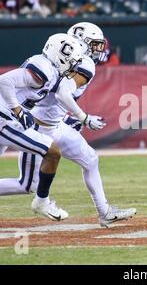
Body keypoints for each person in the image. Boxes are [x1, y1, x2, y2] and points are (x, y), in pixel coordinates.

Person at [0, 23, 136, 227]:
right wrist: (83, 117)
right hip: (32, 124)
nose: (100, 50)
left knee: (89, 159)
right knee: (29, 183)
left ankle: (105, 211)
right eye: (96, 45)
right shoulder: (77, 64)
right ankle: (43, 202)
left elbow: (52, 101)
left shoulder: (60, 64)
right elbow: (62, 93)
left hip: (50, 123)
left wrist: (67, 118)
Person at [0, 33, 84, 220]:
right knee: (52, 152)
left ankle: (41, 202)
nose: (73, 66)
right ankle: (42, 202)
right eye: (71, 60)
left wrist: (67, 120)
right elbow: (4, 81)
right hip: (4, 119)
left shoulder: (52, 72)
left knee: (32, 179)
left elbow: (44, 102)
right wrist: (17, 111)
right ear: (60, 55)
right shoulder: (43, 68)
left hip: (6, 118)